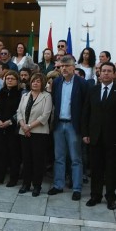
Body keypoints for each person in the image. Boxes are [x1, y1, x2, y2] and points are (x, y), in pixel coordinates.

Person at [48, 55, 88, 201]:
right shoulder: (57, 82)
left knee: (76, 158)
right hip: (59, 125)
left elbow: (85, 108)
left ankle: (76, 188)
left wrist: (84, 128)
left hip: (73, 125)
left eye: (66, 66)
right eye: (61, 66)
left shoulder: (82, 84)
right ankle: (58, 185)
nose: (63, 68)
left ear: (73, 67)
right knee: (59, 157)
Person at [82, 62, 116, 210]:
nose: (106, 73)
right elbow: (86, 113)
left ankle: (110, 197)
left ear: (114, 74)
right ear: (99, 73)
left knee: (111, 169)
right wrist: (85, 133)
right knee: (96, 169)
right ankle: (95, 195)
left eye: (109, 71)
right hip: (94, 137)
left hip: (113, 138)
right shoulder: (93, 90)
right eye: (104, 71)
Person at [17, 73, 52, 196]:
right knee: (26, 159)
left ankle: (37, 185)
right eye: (33, 81)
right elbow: (19, 112)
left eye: (38, 81)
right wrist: (23, 125)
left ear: (42, 83)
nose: (35, 83)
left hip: (39, 133)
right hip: (24, 132)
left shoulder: (46, 96)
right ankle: (26, 184)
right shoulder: (25, 95)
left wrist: (29, 126)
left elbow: (45, 116)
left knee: (38, 160)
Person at [0, 70, 21, 187]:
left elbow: (20, 110)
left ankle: (13, 179)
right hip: (0, 126)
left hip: (13, 127)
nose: (9, 80)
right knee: (0, 152)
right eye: (7, 78)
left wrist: (9, 122)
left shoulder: (21, 93)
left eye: (12, 79)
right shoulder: (2, 91)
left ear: (17, 81)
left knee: (14, 154)